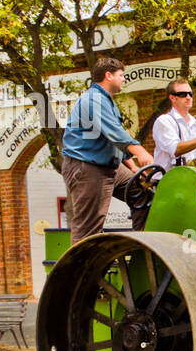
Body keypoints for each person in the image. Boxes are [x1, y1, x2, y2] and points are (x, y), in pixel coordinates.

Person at [60, 57, 154, 243]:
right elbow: (115, 134)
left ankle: (143, 245)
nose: (124, 79)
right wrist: (141, 152)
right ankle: (82, 271)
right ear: (108, 76)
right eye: (121, 75)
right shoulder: (93, 100)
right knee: (88, 229)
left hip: (108, 165)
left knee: (142, 194)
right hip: (87, 167)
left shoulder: (106, 101)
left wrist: (133, 168)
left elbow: (110, 140)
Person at [151, 78, 196, 170]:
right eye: (183, 94)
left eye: (190, 94)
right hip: (168, 179)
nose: (188, 97)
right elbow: (175, 150)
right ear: (172, 98)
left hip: (189, 177)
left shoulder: (194, 123)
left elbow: (194, 156)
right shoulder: (164, 121)